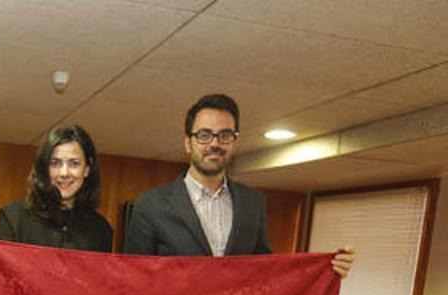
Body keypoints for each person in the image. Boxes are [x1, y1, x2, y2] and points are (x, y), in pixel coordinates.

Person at [125, 93, 354, 276]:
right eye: (204, 135)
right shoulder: (150, 205)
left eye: (225, 135)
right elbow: (134, 278)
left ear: (234, 142)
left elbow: (265, 273)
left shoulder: (253, 203)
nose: (215, 144)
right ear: (188, 142)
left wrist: (325, 269)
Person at [0, 124, 113, 252]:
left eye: (74, 163)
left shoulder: (101, 230)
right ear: (44, 168)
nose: (64, 173)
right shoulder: (14, 218)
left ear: (87, 169)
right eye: (55, 163)